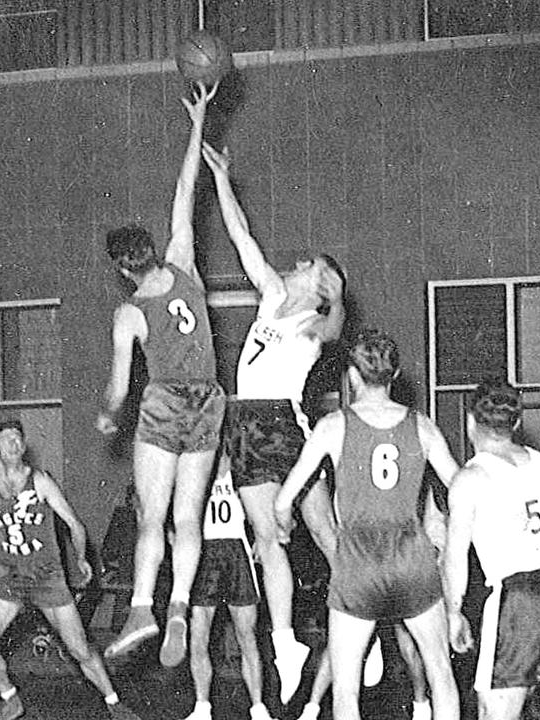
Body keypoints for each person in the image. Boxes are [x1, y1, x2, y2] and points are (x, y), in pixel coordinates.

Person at [200, 141, 346, 703]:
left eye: (310, 264)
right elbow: (243, 240)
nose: (298, 261)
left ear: (323, 286)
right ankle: (285, 644)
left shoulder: (314, 324)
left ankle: (361, 623)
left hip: (284, 424)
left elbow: (334, 330)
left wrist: (336, 296)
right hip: (243, 423)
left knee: (326, 538)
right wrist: (222, 181)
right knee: (267, 539)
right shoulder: (274, 294)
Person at [96, 82, 225, 667]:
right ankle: (180, 603)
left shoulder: (129, 311)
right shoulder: (183, 263)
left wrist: (106, 415)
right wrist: (198, 120)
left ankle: (144, 606)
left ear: (123, 269)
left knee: (153, 516)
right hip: (210, 400)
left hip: (166, 401)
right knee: (188, 518)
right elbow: (185, 187)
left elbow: (120, 392)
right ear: (151, 250)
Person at [274, 330, 461, 720]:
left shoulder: (332, 426)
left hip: (358, 562)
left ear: (353, 376)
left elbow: (282, 499)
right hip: (412, 558)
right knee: (441, 672)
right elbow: (460, 488)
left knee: (346, 688)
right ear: (393, 378)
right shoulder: (422, 426)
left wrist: (281, 527)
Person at [0, 420, 140, 720]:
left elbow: (74, 524)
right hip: (10, 576)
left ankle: (114, 702)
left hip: (48, 576)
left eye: (18, 438)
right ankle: (10, 699)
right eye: (7, 439)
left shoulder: (40, 481)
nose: (15, 444)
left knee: (80, 650)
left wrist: (81, 557)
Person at [444, 381, 540, 720]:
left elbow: (455, 556)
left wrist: (454, 612)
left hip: (516, 598)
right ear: (515, 424)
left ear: (471, 421)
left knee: (495, 710)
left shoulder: (471, 478)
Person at [181, 456, 274, 720]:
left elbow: (261, 509)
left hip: (237, 551)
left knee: (247, 636)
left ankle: (258, 709)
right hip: (204, 552)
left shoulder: (242, 470)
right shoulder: (194, 471)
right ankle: (201, 708)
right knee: (198, 636)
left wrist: (260, 537)